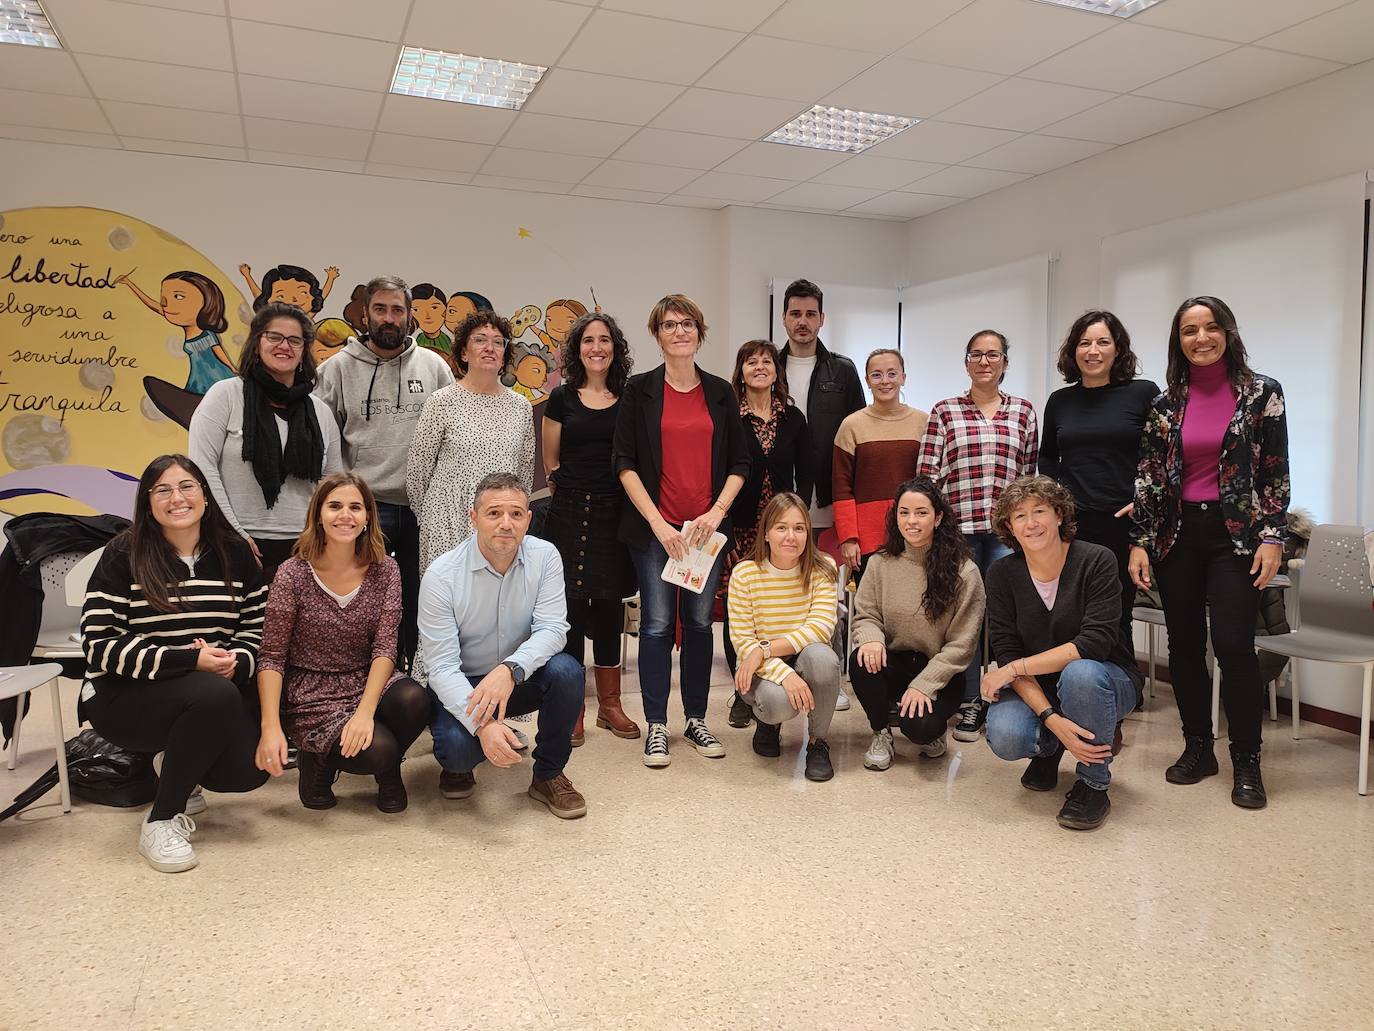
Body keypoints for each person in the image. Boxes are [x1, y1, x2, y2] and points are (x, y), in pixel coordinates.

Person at [1128, 296, 1289, 810]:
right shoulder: (1165, 403)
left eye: (1210, 327)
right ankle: (1199, 746)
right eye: (1189, 331)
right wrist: (1139, 541)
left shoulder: (1262, 394)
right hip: (1178, 537)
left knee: (1234, 646)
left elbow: (1275, 472)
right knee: (1183, 646)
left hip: (1236, 537)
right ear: (1179, 341)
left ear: (1228, 331)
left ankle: (1247, 759)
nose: (1201, 338)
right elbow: (1150, 478)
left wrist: (1273, 537)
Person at [79, 454, 269, 873]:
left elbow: (258, 629)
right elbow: (98, 645)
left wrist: (236, 661)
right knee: (212, 696)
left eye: (187, 486)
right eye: (162, 490)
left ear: (205, 494)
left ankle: (179, 763)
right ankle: (161, 820)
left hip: (208, 689)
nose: (177, 498)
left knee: (246, 771)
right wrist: (190, 660)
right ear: (148, 502)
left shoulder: (235, 554)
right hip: (122, 696)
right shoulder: (122, 554)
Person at [613, 294, 750, 769]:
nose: (680, 332)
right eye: (670, 325)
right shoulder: (639, 390)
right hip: (657, 532)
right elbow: (624, 463)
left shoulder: (719, 392)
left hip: (703, 536)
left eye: (688, 324)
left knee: (696, 623)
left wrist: (715, 514)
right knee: (654, 624)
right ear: (657, 334)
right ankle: (656, 724)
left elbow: (740, 462)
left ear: (699, 332)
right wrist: (658, 523)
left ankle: (695, 719)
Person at [254, 473, 431, 814]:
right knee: (377, 749)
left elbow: (385, 648)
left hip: (365, 677)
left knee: (415, 699)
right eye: (335, 506)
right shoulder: (292, 573)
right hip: (311, 689)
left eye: (355, 507)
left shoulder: (386, 570)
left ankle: (388, 772)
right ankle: (319, 761)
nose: (345, 516)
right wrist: (270, 725)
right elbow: (272, 657)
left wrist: (365, 713)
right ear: (318, 514)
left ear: (367, 517)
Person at [419, 472, 587, 819]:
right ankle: (461, 761)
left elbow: (554, 629)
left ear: (528, 518)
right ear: (474, 518)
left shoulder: (546, 557)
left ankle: (548, 775)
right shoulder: (442, 575)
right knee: (459, 751)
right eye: (494, 513)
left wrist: (510, 670)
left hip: (517, 678)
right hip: (464, 684)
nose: (505, 524)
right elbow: (442, 667)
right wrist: (482, 725)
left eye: (515, 514)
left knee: (567, 671)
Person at [982, 475, 1141, 831]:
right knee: (1007, 735)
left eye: (1039, 511)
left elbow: (1093, 644)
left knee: (1080, 672)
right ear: (1009, 526)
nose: (1031, 523)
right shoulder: (1002, 573)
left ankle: (1093, 783)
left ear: (1059, 514)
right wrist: (1051, 717)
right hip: (1041, 686)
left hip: (1105, 678)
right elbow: (1007, 651)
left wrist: (1013, 669)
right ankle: (1051, 747)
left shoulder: (1096, 559)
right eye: (1019, 516)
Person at [314, 275, 454, 673]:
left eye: (397, 310)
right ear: (365, 313)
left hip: (422, 507)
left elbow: (450, 431)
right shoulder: (337, 369)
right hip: (364, 508)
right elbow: (324, 438)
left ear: (409, 316)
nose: (389, 318)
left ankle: (417, 681)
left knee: (421, 597)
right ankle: (366, 681)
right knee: (364, 600)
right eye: (381, 309)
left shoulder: (434, 366)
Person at [918, 329, 1039, 744]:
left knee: (1006, 617)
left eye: (993, 355)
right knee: (964, 617)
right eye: (976, 354)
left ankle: (1007, 695)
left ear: (1006, 362)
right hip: (960, 533)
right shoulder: (945, 412)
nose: (984, 361)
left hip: (1008, 534)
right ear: (966, 362)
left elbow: (1028, 479)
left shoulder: (1023, 412)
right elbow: (928, 479)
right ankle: (970, 700)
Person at [1039, 311, 1159, 668]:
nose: (1093, 350)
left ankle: (1122, 681)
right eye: (1085, 342)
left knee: (1118, 608)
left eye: (1103, 342)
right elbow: (1048, 457)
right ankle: (1075, 679)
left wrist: (1144, 501)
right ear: (1073, 351)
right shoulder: (1061, 401)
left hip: (1124, 521)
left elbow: (1161, 458)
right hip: (1073, 522)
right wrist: (1058, 500)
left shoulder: (1143, 393)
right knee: (1070, 606)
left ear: (1118, 349)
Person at [189, 302, 342, 581]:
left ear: (304, 350)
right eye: (274, 337)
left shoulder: (319, 411)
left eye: (294, 340)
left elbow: (332, 483)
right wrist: (234, 533)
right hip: (233, 543)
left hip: (305, 549)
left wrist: (321, 538)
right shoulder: (225, 396)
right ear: (256, 343)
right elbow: (202, 469)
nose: (284, 345)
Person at [542, 311, 639, 746]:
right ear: (577, 349)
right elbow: (552, 461)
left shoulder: (630, 397)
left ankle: (611, 705)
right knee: (571, 608)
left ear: (614, 348)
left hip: (614, 512)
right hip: (568, 510)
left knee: (607, 607)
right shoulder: (562, 398)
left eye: (604, 340)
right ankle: (574, 707)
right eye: (587, 340)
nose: (596, 347)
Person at [849, 477, 985, 771]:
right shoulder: (880, 563)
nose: (911, 521)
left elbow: (962, 645)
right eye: (904, 512)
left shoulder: (965, 571)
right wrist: (871, 637)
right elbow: (866, 614)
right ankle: (881, 732)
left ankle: (934, 733)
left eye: (921, 513)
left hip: (940, 672)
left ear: (937, 518)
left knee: (919, 728)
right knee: (860, 659)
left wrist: (925, 684)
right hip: (894, 662)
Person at [407, 310, 536, 576]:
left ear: (504, 356)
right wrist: (432, 517)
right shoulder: (441, 402)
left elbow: (524, 471)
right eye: (480, 340)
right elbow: (418, 471)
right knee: (448, 606)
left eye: (498, 342)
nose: (490, 347)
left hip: (500, 526)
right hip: (448, 522)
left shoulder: (521, 407)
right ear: (464, 353)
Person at [724, 339, 812, 726]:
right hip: (739, 527)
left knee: (778, 607)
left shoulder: (793, 418)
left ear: (777, 370)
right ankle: (743, 691)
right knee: (738, 612)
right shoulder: (728, 415)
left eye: (767, 361)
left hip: (781, 529)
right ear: (741, 370)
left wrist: (799, 519)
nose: (760, 367)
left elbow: (805, 473)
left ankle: (775, 675)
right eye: (751, 361)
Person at [727, 493, 839, 781]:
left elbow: (821, 627)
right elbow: (743, 642)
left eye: (799, 528)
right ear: (766, 533)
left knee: (823, 658)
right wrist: (784, 674)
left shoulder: (823, 567)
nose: (791, 536)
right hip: (761, 672)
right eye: (781, 528)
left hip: (793, 657)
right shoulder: (745, 574)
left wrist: (764, 650)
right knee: (777, 703)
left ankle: (818, 743)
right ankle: (768, 724)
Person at [776, 279, 864, 538]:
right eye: (795, 314)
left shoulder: (843, 370)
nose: (802, 322)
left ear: (821, 319)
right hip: (777, 500)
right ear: (783, 318)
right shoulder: (768, 369)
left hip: (829, 501)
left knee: (827, 578)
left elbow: (858, 434)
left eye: (810, 314)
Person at [833, 348, 929, 574]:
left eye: (892, 373)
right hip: (867, 539)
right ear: (867, 381)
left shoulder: (924, 422)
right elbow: (841, 487)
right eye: (877, 375)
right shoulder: (851, 425)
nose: (885, 381)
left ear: (903, 377)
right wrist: (848, 538)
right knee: (870, 606)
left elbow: (931, 484)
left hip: (914, 533)